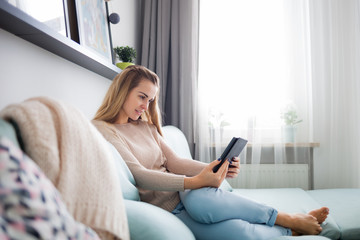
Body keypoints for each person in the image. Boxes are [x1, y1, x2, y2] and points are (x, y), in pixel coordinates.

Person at [92, 65, 329, 240]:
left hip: (187, 195)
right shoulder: (104, 129)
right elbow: (139, 174)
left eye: (151, 100)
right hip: (170, 206)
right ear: (123, 90)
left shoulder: (147, 126)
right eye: (142, 96)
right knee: (241, 235)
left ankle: (287, 218)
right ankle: (291, 228)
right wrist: (195, 180)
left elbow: (174, 161)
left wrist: (217, 167)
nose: (146, 106)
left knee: (203, 202)